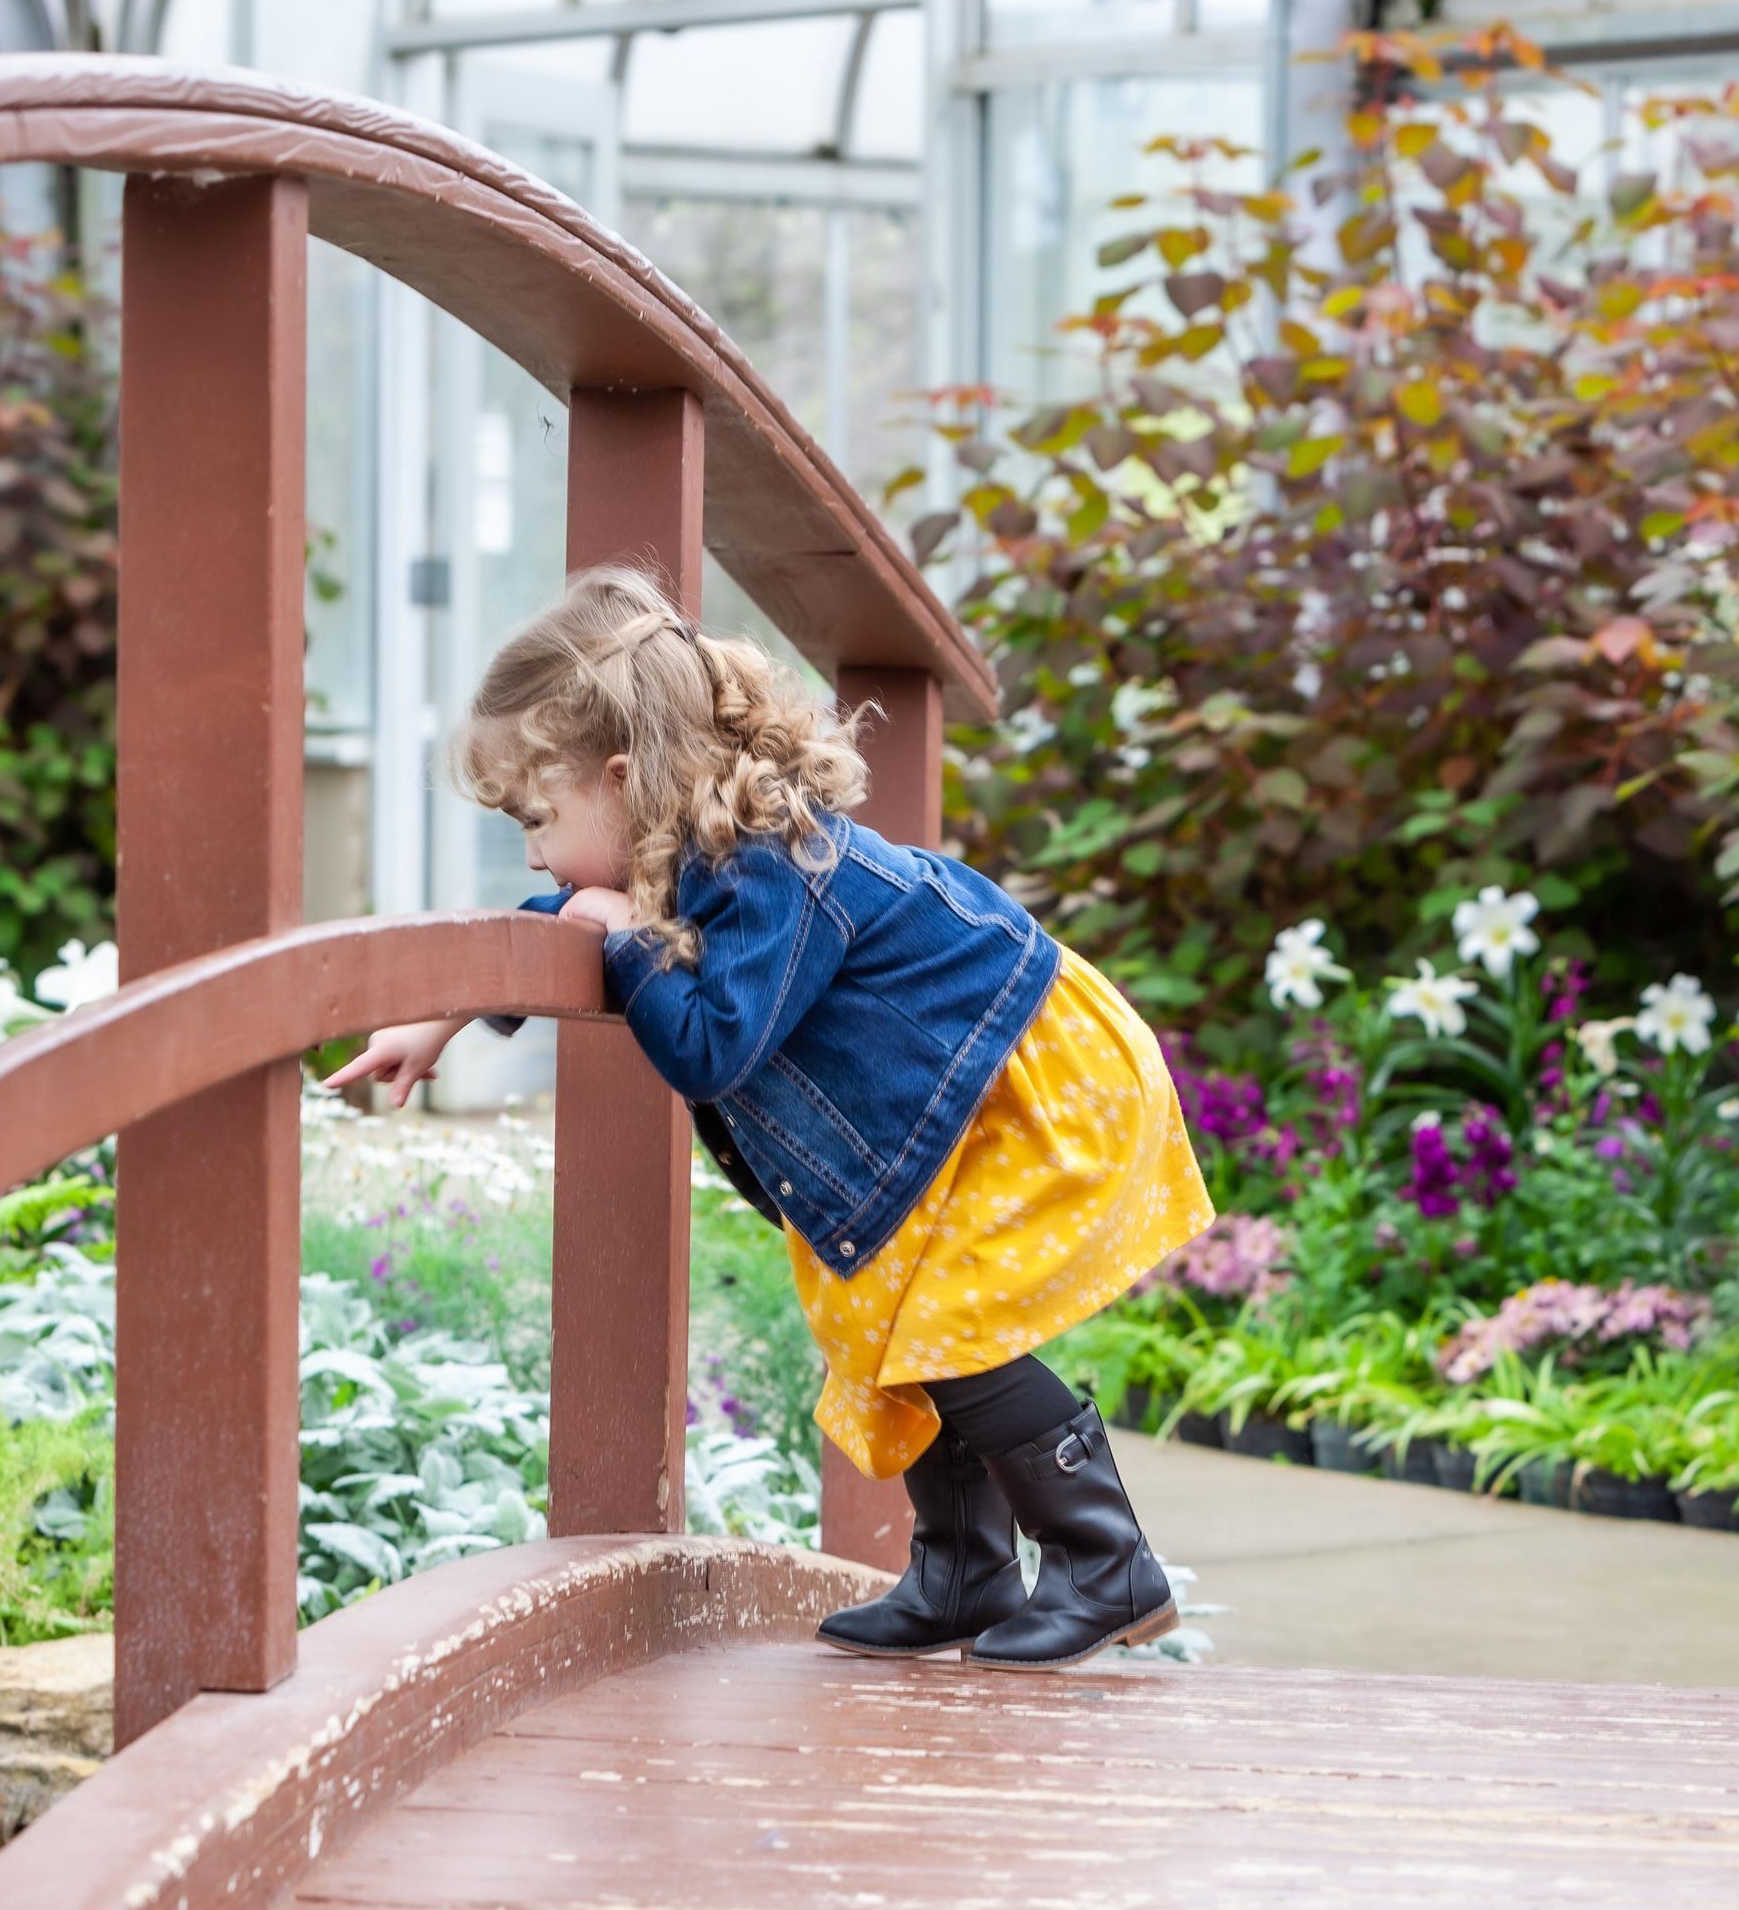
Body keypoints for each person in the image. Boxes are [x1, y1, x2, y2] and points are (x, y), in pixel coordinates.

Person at [324, 563, 1216, 1672]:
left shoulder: (770, 865)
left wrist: (622, 936)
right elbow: (567, 914)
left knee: (953, 1322)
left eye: (540, 819)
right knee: (893, 1316)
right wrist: (445, 1022)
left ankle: (1105, 1561)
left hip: (1023, 1081)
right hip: (950, 1096)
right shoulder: (681, 854)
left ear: (623, 775)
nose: (537, 854)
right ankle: (965, 1565)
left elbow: (711, 1044)